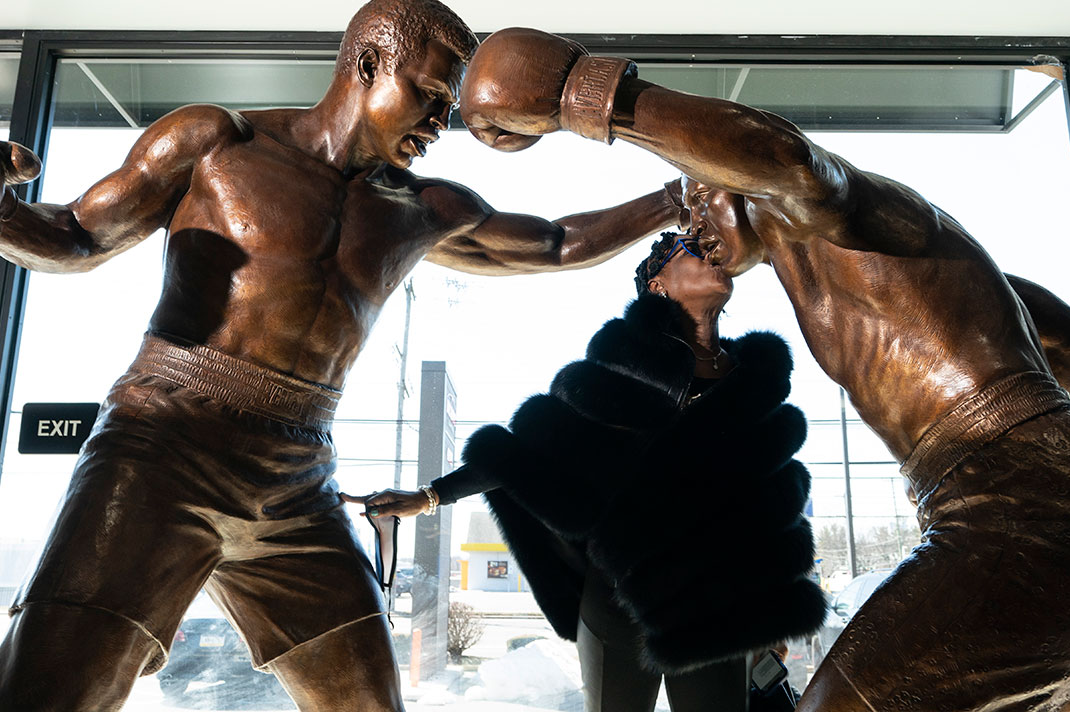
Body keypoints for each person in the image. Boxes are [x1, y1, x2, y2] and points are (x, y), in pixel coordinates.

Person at [0, 0, 688, 710]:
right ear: (370, 62)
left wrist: (672, 197)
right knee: (47, 692)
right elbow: (76, 235)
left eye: (450, 103)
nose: (442, 120)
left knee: (368, 700)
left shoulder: (422, 208)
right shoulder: (217, 141)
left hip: (297, 479)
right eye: (432, 93)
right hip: (162, 449)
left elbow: (553, 244)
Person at [454, 28, 1070, 712]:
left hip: (1030, 512)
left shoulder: (837, 208)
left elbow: (782, 155)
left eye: (699, 197)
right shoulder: (908, 264)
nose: (692, 223)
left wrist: (574, 88)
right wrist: (1013, 446)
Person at [348, 230, 824, 711]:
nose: (711, 253)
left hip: (718, 602)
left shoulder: (754, 384)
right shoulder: (613, 371)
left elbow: (767, 511)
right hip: (620, 596)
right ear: (658, 284)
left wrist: (772, 606)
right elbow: (521, 456)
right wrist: (428, 497)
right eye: (692, 249)